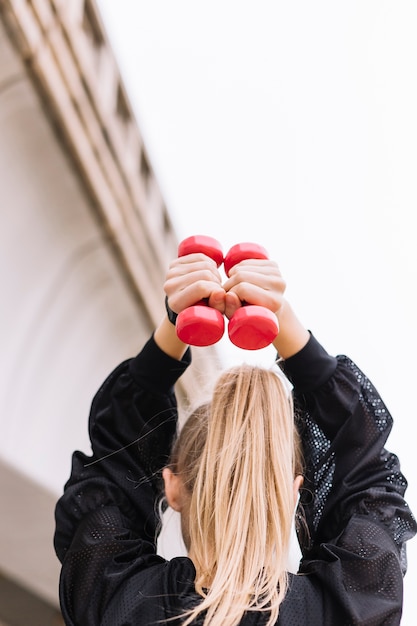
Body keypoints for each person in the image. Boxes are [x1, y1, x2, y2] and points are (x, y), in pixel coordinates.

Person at [54, 249, 416, 626]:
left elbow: (112, 464)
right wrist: (284, 323)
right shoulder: (346, 611)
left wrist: (177, 323)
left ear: (172, 487)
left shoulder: (116, 600)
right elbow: (369, 472)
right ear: (293, 492)